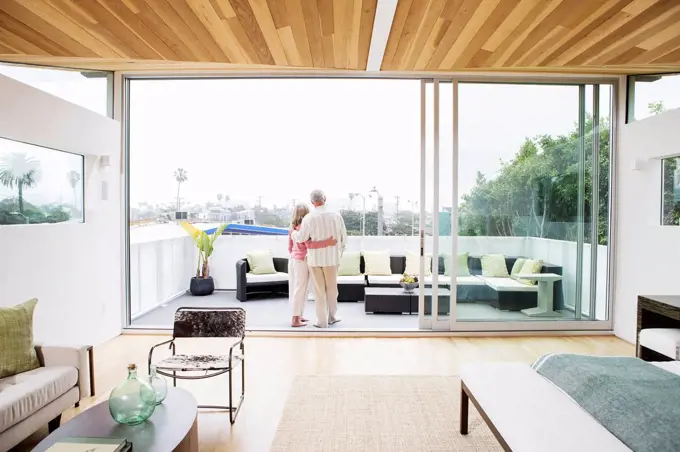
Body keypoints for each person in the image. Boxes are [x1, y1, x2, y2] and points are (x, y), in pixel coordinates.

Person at [291, 189, 347, 328]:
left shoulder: (309, 218)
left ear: (312, 202)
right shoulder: (336, 216)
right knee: (332, 289)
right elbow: (343, 237)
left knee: (319, 291)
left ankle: (322, 322)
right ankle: (332, 316)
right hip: (332, 260)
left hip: (315, 261)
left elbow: (301, 238)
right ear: (325, 198)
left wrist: (293, 234)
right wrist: (339, 251)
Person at [288, 204, 337, 327]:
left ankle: (298, 315)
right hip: (303, 260)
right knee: (301, 289)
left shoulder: (292, 228)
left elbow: (289, 247)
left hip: (295, 259)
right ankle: (295, 319)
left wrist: (295, 254)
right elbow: (310, 245)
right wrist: (328, 242)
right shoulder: (302, 228)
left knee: (300, 289)